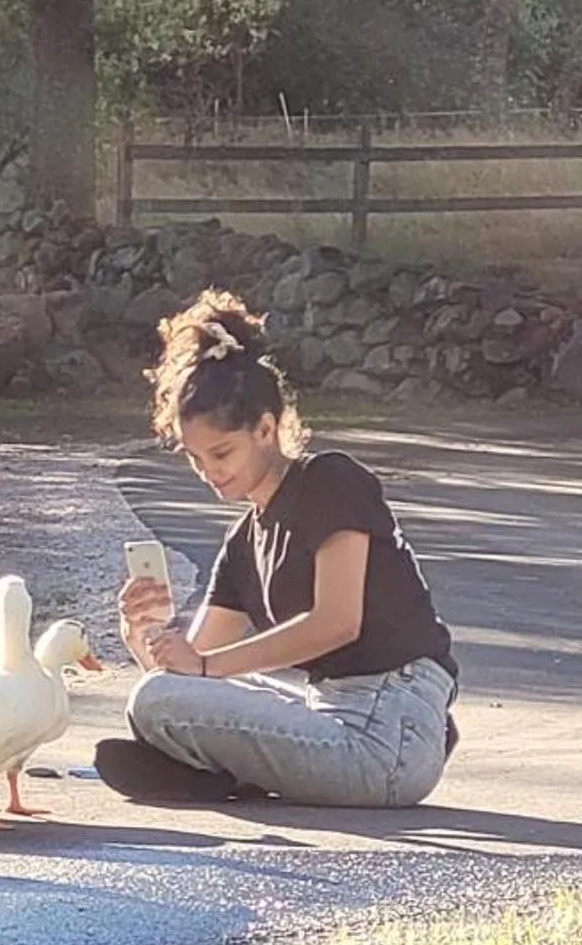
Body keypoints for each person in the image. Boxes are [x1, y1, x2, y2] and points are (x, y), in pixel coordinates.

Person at [105, 290, 457, 807]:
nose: (210, 472)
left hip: (388, 734)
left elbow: (338, 623)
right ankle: (222, 770)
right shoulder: (244, 541)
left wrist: (202, 670)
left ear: (266, 428)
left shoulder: (331, 481)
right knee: (161, 699)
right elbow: (192, 672)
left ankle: (217, 770)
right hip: (327, 715)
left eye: (222, 452)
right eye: (196, 459)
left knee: (157, 702)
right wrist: (143, 633)